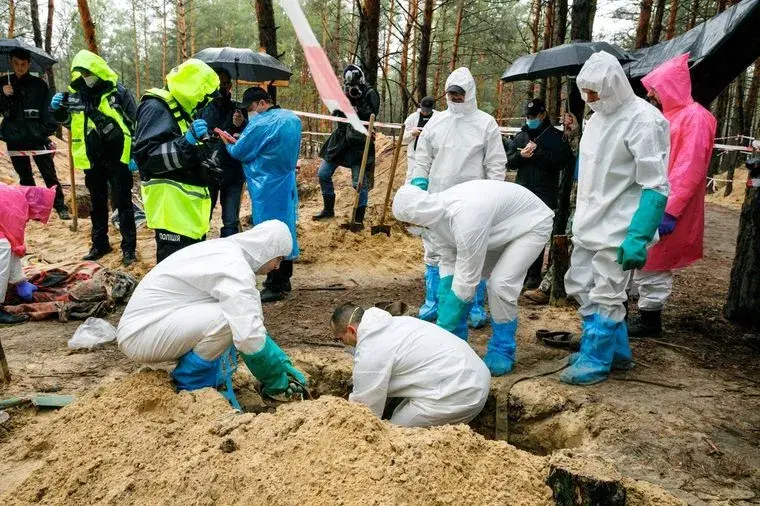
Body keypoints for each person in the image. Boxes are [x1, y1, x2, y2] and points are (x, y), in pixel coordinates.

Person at [562, 51, 670, 386]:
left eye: (596, 91)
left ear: (614, 85)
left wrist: (639, 234)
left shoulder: (645, 120)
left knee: (608, 292)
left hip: (620, 225)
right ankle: (616, 348)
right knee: (579, 283)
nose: (590, 98)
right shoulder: (595, 119)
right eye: (586, 92)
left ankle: (596, 356)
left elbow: (655, 183)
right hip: (590, 221)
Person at [117, 220, 307, 408]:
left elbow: (252, 320)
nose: (276, 267)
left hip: (156, 321)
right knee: (228, 319)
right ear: (269, 250)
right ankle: (192, 386)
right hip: (141, 333)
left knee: (234, 316)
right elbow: (248, 335)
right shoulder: (235, 268)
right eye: (279, 259)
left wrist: (281, 361)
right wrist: (276, 380)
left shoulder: (227, 251)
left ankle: (204, 375)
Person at [393, 180, 554, 376]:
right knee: (453, 290)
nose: (408, 228)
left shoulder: (465, 216)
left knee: (500, 284)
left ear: (417, 217)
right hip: (496, 228)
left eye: (408, 224)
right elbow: (448, 256)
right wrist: (445, 292)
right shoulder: (430, 221)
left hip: (530, 224)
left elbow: (467, 278)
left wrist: (443, 326)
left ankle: (502, 348)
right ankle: (456, 344)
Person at [409, 68, 507, 330]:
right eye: (451, 93)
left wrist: (494, 198)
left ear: (469, 94)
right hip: (439, 200)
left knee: (473, 255)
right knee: (435, 252)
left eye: (459, 94)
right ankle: (435, 302)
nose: (454, 98)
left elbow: (496, 164)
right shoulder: (436, 123)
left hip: (473, 204)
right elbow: (423, 159)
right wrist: (420, 184)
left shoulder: (485, 124)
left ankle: (473, 305)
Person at [628, 54, 717, 337]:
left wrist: (669, 209)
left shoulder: (696, 118)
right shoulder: (667, 116)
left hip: (669, 204)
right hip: (654, 197)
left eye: (655, 87)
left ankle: (650, 319)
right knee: (646, 255)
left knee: (657, 259)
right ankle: (639, 311)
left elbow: (688, 167)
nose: (651, 94)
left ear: (670, 85)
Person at [331, 303, 490, 427]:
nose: (343, 344)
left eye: (340, 339)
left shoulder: (371, 350)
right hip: (476, 376)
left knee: (394, 436)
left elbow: (364, 411)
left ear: (351, 330)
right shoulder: (396, 322)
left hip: (457, 393)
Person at [50, 50, 137, 266]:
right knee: (97, 203)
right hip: (92, 157)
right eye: (81, 72)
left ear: (97, 70)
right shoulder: (76, 93)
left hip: (118, 156)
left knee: (123, 202)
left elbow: (135, 120)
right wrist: (58, 110)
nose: (85, 76)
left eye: (88, 71)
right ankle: (100, 244)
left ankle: (129, 248)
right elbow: (70, 123)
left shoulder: (118, 91)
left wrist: (135, 151)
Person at [132, 58, 221, 263]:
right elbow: (148, 159)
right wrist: (187, 142)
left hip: (187, 214)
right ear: (192, 88)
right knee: (175, 277)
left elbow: (182, 156)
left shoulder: (179, 111)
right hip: (172, 214)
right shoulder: (156, 107)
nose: (205, 102)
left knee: (189, 274)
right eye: (204, 96)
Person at [225, 87, 302, 303]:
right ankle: (285, 278)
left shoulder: (260, 123)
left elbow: (240, 151)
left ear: (260, 103)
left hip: (266, 186)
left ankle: (274, 283)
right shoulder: (292, 119)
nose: (251, 112)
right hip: (286, 183)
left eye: (250, 108)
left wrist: (228, 142)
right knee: (286, 228)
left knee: (269, 232)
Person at [506, 98, 573, 289]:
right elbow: (509, 161)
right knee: (518, 232)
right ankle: (518, 271)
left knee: (537, 234)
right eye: (527, 117)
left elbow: (563, 161)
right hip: (522, 191)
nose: (530, 120)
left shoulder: (554, 136)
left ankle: (534, 274)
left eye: (533, 116)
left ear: (543, 114)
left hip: (545, 192)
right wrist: (521, 156)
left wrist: (539, 153)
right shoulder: (521, 136)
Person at [0, 48, 69, 219]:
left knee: (49, 173)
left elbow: (49, 110)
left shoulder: (39, 85)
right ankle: (34, 210)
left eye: (23, 64)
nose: (20, 67)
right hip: (14, 137)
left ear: (29, 64)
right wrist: (3, 95)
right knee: (25, 176)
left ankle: (60, 206)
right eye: (16, 63)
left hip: (37, 137)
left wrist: (44, 131)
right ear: (11, 62)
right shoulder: (3, 83)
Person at [524, 111, 581, 304]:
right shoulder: (589, 129)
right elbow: (573, 152)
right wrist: (572, 131)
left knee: (574, 237)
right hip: (577, 187)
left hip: (597, 191)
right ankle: (550, 286)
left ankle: (550, 287)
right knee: (571, 235)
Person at [313, 64, 380, 224]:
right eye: (350, 86)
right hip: (341, 140)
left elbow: (372, 115)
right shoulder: (344, 91)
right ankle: (328, 210)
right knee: (323, 173)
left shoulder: (370, 93)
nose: (352, 88)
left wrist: (358, 99)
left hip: (359, 142)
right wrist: (340, 100)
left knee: (359, 183)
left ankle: (358, 219)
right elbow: (336, 113)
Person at [199, 68, 247, 238]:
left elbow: (247, 137)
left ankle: (230, 256)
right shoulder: (202, 107)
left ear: (230, 85)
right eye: (219, 83)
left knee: (231, 220)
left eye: (225, 83)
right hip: (208, 170)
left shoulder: (239, 109)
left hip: (233, 170)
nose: (222, 87)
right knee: (203, 217)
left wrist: (240, 124)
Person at [0, 184, 55, 324]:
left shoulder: (13, 193)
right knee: (2, 247)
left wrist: (20, 281)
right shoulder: (16, 204)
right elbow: (16, 244)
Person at [402, 95, 436, 183]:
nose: (425, 112)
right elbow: (403, 139)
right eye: (423, 110)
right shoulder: (412, 118)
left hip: (432, 156)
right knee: (411, 179)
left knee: (430, 180)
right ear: (420, 106)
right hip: (414, 156)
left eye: (427, 111)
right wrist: (412, 134)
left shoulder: (438, 118)